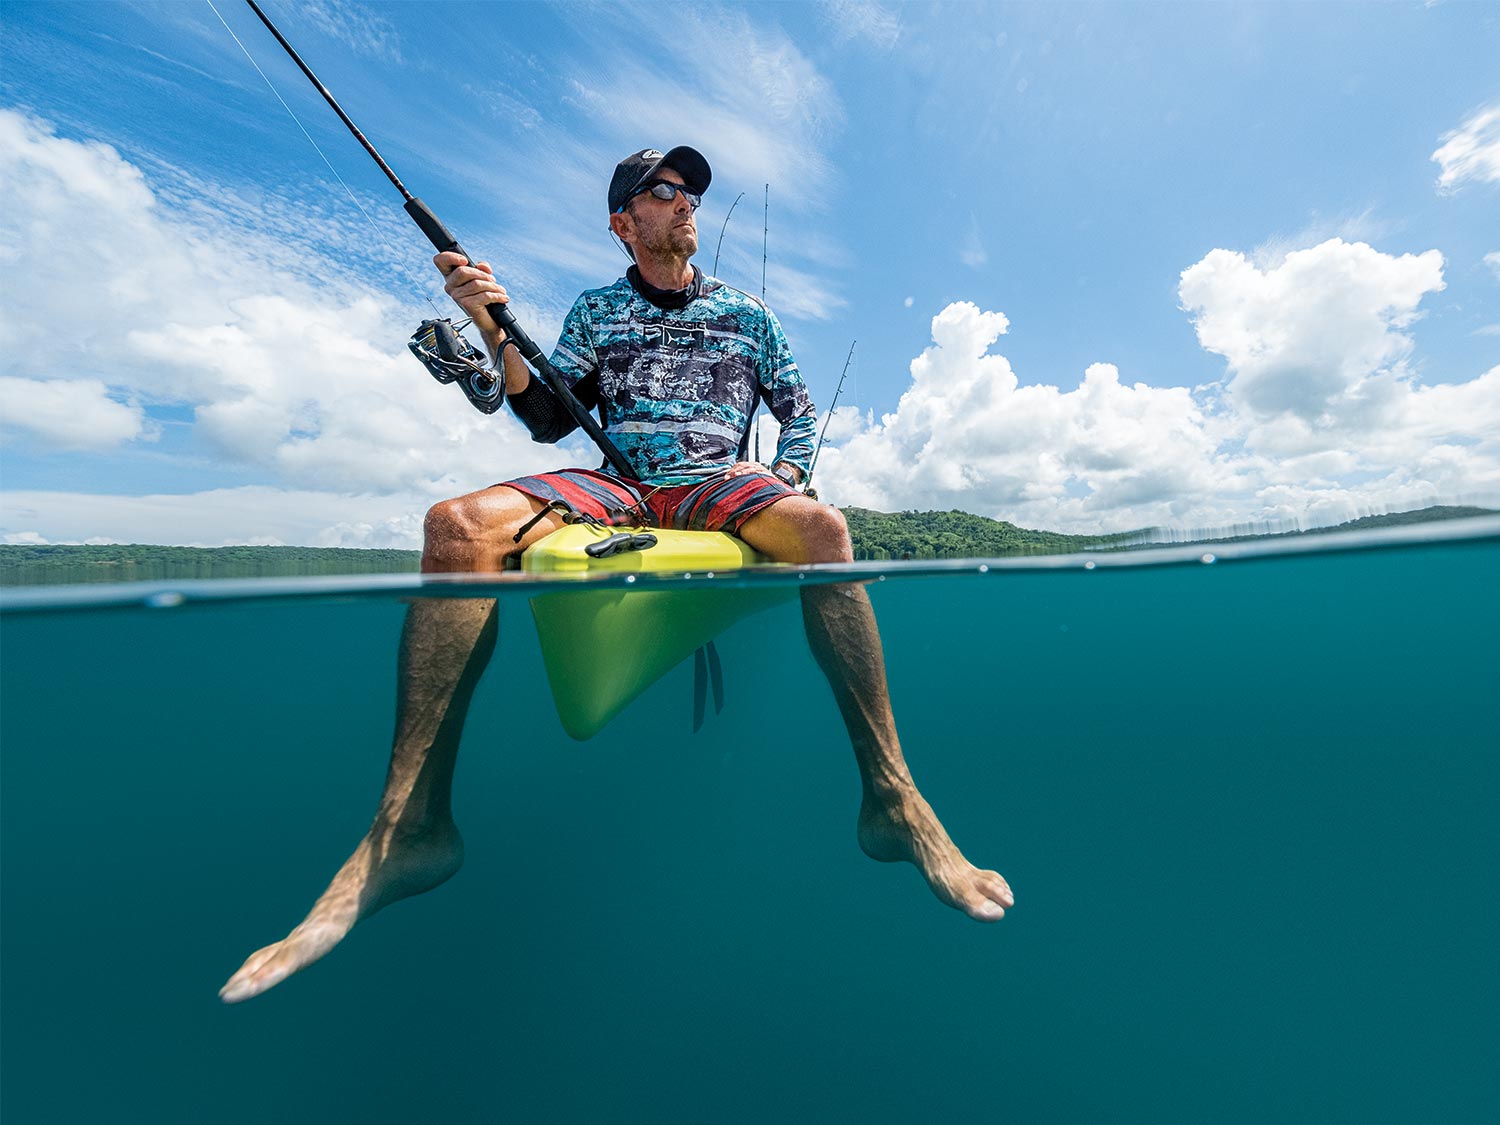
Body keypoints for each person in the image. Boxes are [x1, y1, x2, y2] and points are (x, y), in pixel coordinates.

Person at [220, 147, 1013, 1004]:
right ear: (622, 222)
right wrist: (495, 331)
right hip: (617, 484)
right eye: (664, 192)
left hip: (717, 480)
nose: (685, 204)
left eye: (690, 193)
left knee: (823, 527)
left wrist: (789, 474)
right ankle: (409, 827)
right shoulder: (596, 309)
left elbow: (800, 409)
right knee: (453, 527)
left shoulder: (750, 314)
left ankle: (893, 799)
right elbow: (546, 418)